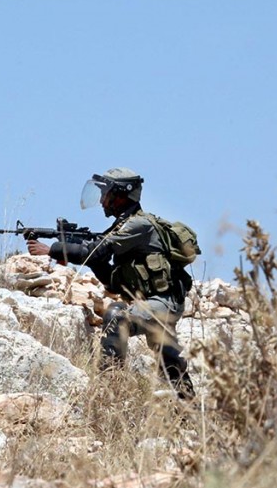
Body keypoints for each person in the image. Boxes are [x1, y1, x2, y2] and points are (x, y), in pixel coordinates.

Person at [27, 167, 196, 400]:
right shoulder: (123, 226)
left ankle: (109, 392)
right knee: (170, 363)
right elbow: (111, 281)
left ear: (120, 195)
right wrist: (71, 248)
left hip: (163, 302)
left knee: (117, 316)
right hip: (156, 302)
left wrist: (53, 249)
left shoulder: (138, 225)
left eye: (106, 194)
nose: (102, 200)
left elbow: (95, 251)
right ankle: (190, 410)